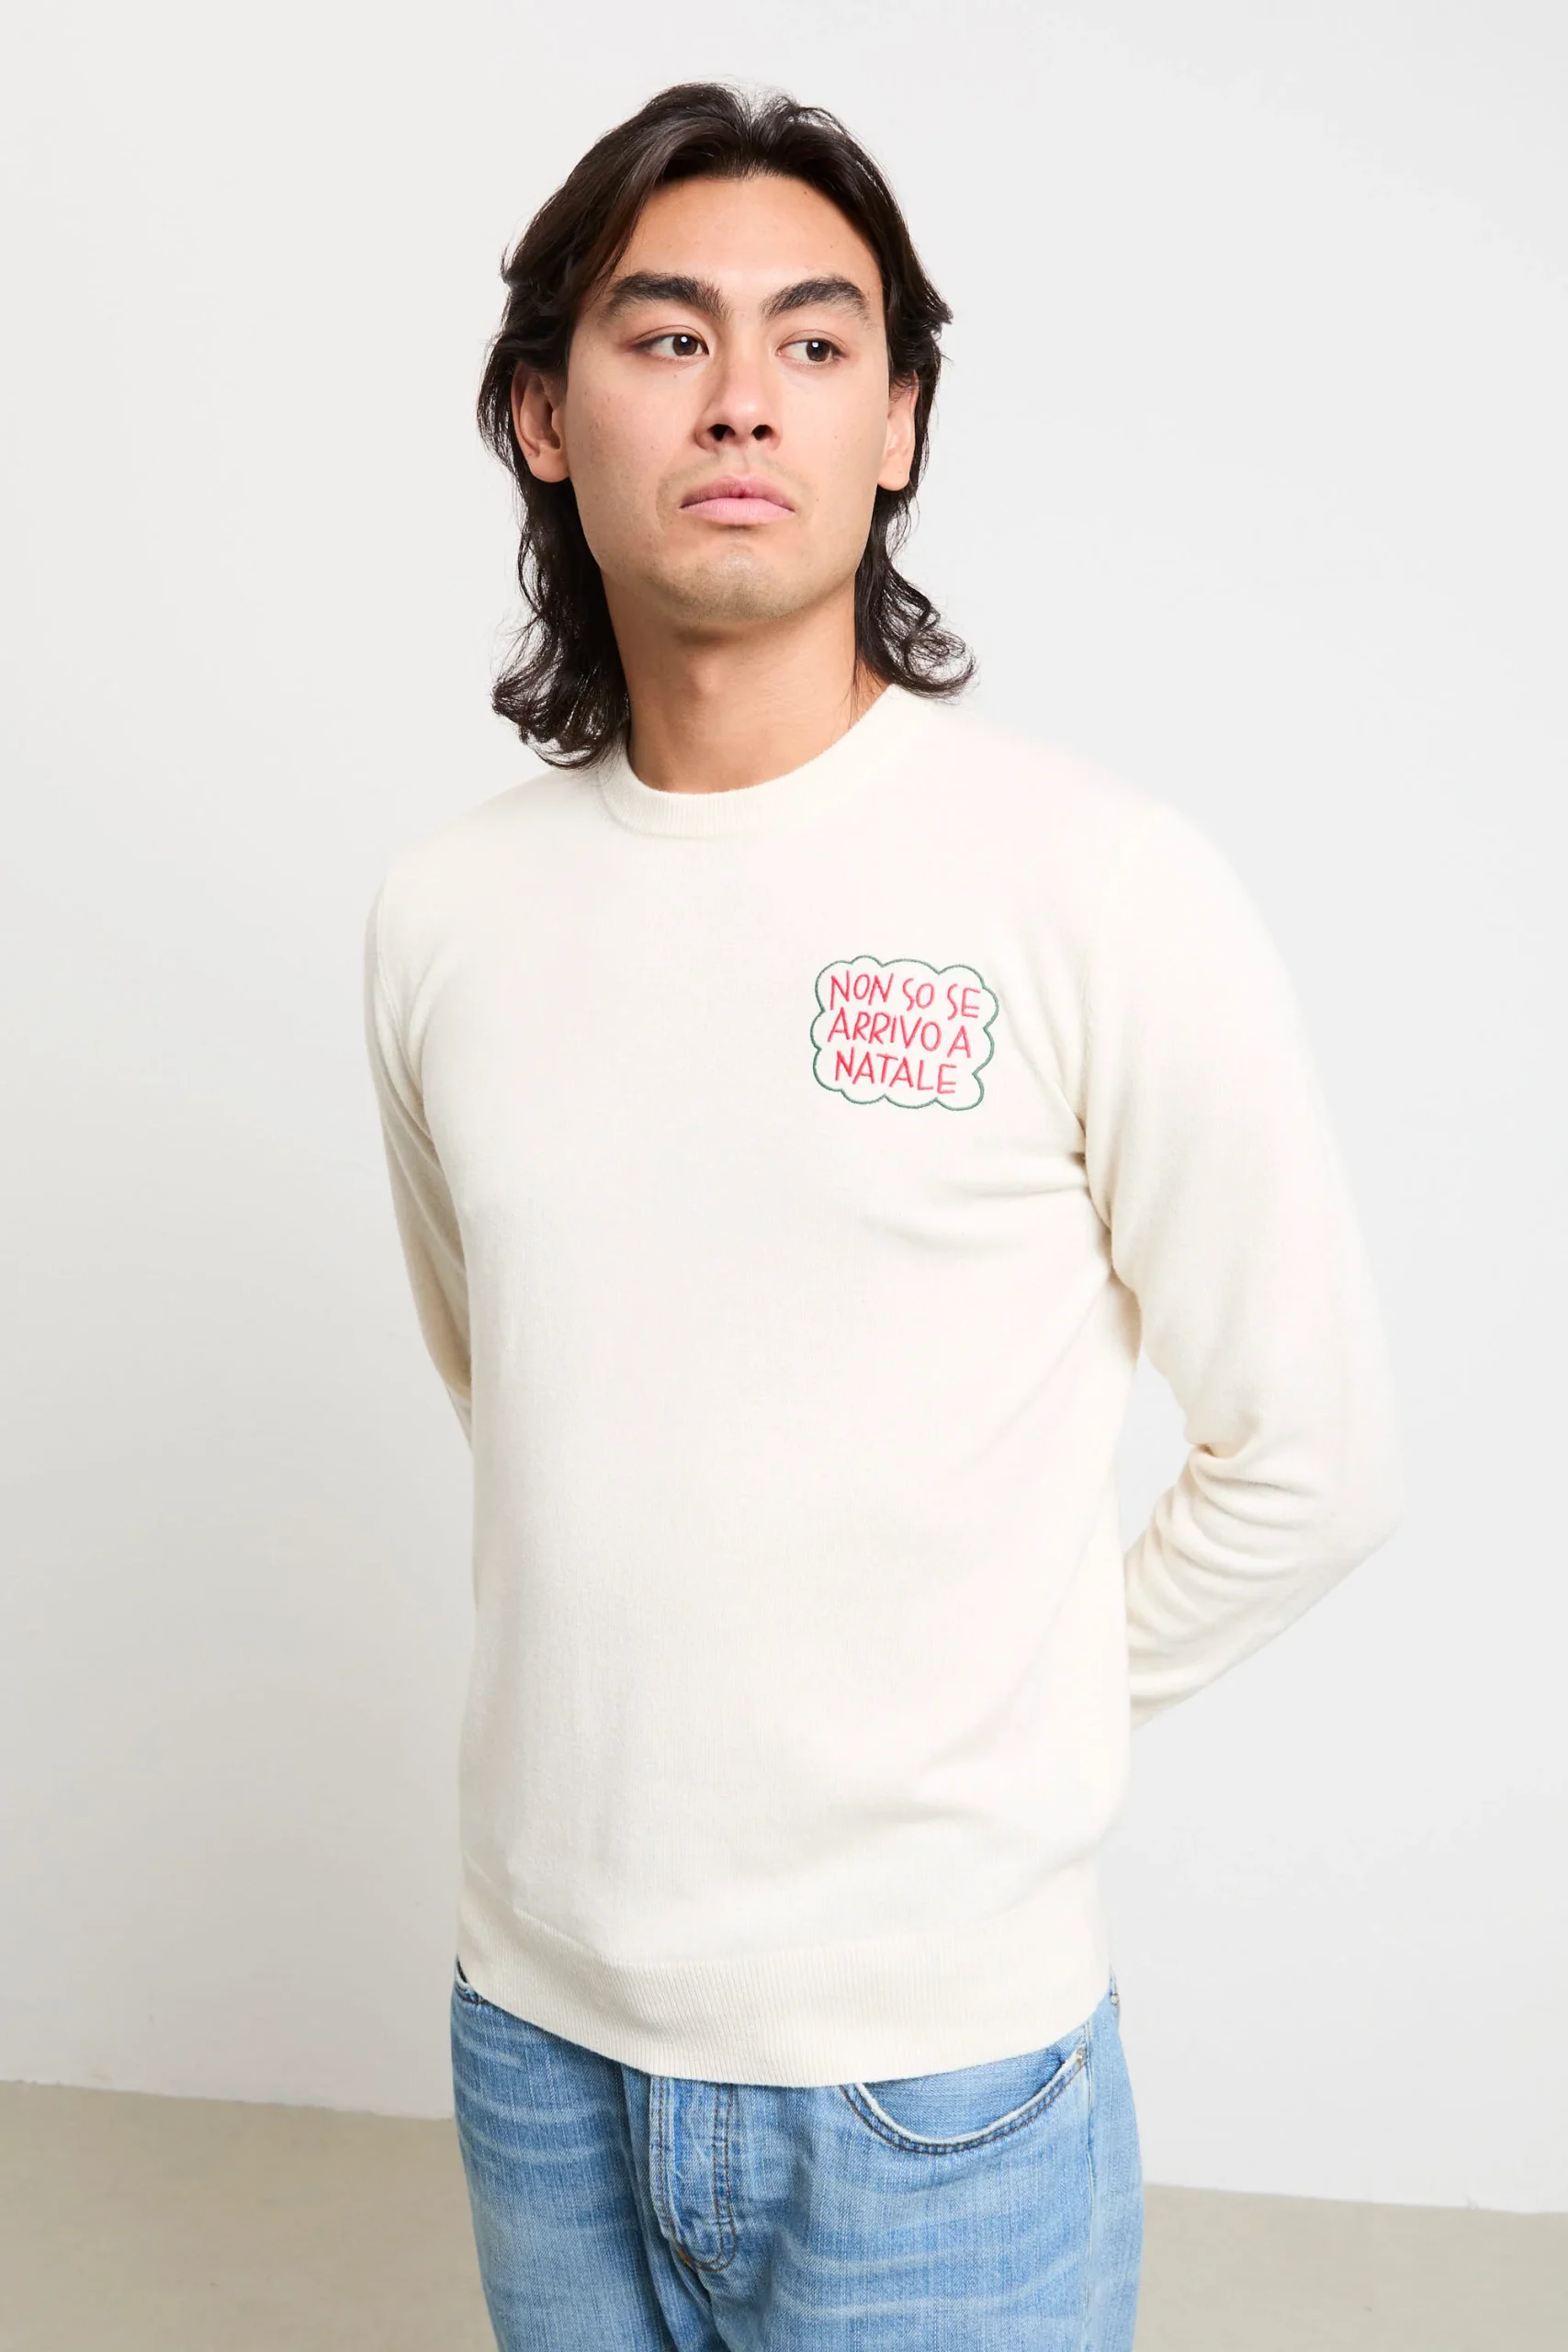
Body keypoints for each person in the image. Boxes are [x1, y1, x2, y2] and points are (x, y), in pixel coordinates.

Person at [362, 80, 1404, 2352]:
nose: (741, 398)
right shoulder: (446, 917)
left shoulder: (1093, 881)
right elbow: (525, 1388)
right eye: (666, 337)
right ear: (542, 412)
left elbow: (1315, 1457)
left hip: (939, 2077)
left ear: (900, 421)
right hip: (533, 2035)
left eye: (817, 342)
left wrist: (1003, 1709)